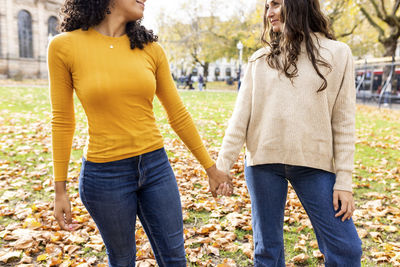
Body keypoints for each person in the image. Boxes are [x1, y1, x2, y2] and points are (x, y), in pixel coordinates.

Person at [47, 0, 231, 266]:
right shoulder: (64, 46)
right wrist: (59, 190)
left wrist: (210, 168)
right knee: (122, 260)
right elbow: (62, 120)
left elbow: (177, 113)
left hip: (156, 168)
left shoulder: (151, 49)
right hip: (104, 175)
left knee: (175, 259)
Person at [216, 0, 362, 266]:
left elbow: (343, 123)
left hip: (315, 165)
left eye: (276, 4)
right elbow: (239, 119)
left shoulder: (338, 53)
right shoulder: (259, 59)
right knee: (267, 252)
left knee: (347, 249)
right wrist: (222, 166)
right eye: (267, 7)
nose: (269, 12)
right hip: (263, 166)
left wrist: (344, 181)